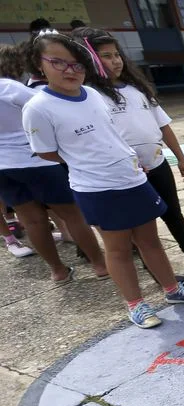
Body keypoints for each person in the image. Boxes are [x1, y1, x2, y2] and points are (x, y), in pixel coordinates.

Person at [23, 33, 184, 328]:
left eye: (77, 64)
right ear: (38, 64)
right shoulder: (38, 108)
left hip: (133, 178)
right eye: (58, 62)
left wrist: (128, 164)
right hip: (97, 188)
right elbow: (46, 152)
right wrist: (88, 162)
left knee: (151, 241)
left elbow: (110, 135)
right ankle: (136, 305)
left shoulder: (93, 94)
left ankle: (172, 290)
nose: (70, 70)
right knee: (118, 248)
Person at [78, 28, 184, 278]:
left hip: (157, 163)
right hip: (128, 173)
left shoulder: (137, 89)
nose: (115, 60)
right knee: (140, 226)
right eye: (106, 56)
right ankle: (158, 273)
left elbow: (162, 125)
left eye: (117, 54)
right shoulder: (91, 96)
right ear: (91, 60)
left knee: (173, 213)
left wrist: (180, 157)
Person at [0, 44, 107, 280]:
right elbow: (47, 104)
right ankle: (100, 264)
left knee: (31, 220)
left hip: (3, 166)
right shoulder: (10, 88)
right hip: (35, 160)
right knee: (72, 214)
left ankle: (58, 270)